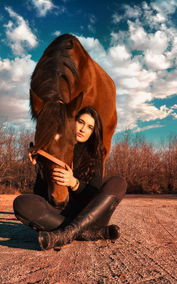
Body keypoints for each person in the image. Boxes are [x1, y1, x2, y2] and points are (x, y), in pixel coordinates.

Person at [13, 106, 127, 250]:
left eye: (90, 127)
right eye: (80, 122)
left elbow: (96, 198)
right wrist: (41, 165)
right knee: (21, 203)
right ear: (72, 122)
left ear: (93, 132)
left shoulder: (94, 155)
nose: (83, 129)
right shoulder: (55, 148)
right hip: (61, 216)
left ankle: (66, 234)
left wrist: (74, 183)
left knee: (118, 182)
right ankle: (92, 234)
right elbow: (40, 194)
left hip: (90, 216)